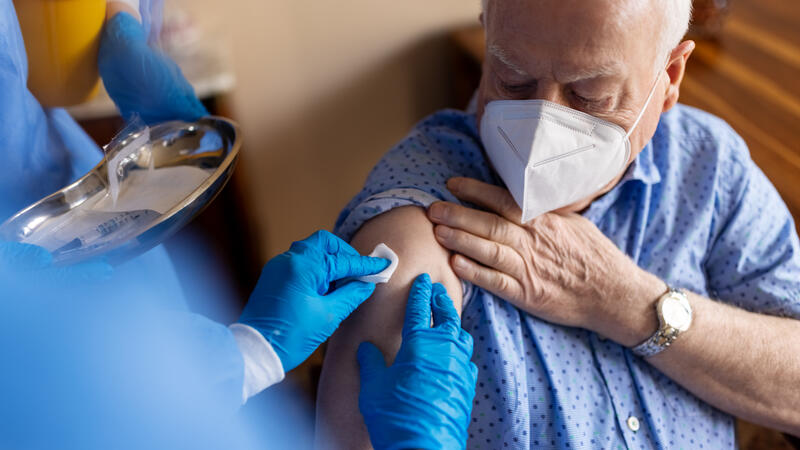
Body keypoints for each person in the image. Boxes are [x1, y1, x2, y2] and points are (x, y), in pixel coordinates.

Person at [316, 0, 800, 448]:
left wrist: (626, 303)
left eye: (590, 96)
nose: (542, 123)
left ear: (670, 75)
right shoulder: (422, 213)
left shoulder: (708, 168)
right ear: (487, 40)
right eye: (513, 80)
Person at [1, 2, 478, 448]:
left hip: (50, 193)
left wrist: (120, 16)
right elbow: (92, 404)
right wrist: (243, 357)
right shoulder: (63, 377)